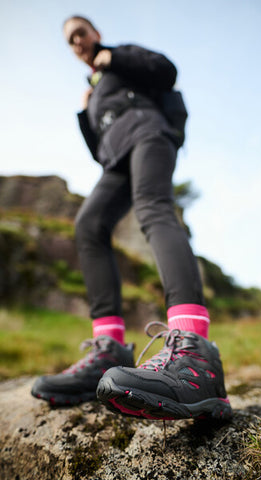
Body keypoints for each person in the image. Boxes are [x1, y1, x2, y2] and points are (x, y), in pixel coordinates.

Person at [31, 15, 232, 420]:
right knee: (89, 226)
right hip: (116, 159)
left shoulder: (119, 56)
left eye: (81, 34)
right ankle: (107, 351)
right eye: (71, 40)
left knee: (152, 206)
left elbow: (165, 70)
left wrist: (114, 58)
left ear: (95, 34)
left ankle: (194, 350)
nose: (77, 43)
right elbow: (99, 149)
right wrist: (84, 114)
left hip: (149, 135)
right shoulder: (92, 91)